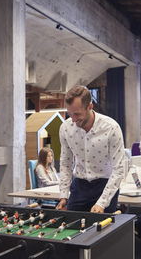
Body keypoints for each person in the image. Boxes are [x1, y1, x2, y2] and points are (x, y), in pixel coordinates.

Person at [56, 85, 125, 213]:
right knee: (72, 229)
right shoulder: (65, 128)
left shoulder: (111, 128)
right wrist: (63, 195)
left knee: (104, 232)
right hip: (79, 186)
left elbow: (119, 169)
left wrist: (102, 203)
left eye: (77, 114)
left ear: (89, 107)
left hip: (105, 185)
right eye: (69, 114)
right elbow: (66, 163)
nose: (73, 119)